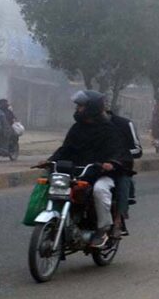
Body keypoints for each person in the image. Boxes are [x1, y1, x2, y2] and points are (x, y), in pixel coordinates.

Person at [45, 90, 128, 248]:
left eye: (81, 106)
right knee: (54, 186)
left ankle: (102, 229)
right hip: (77, 172)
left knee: (99, 190)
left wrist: (109, 163)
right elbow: (66, 149)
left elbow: (117, 151)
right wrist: (50, 161)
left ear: (91, 108)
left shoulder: (109, 130)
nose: (77, 109)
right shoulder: (77, 128)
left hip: (100, 174)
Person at [106, 104, 143, 239]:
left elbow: (137, 150)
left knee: (121, 179)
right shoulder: (85, 126)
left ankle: (118, 220)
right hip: (95, 167)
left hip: (120, 168)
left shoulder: (125, 124)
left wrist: (117, 159)